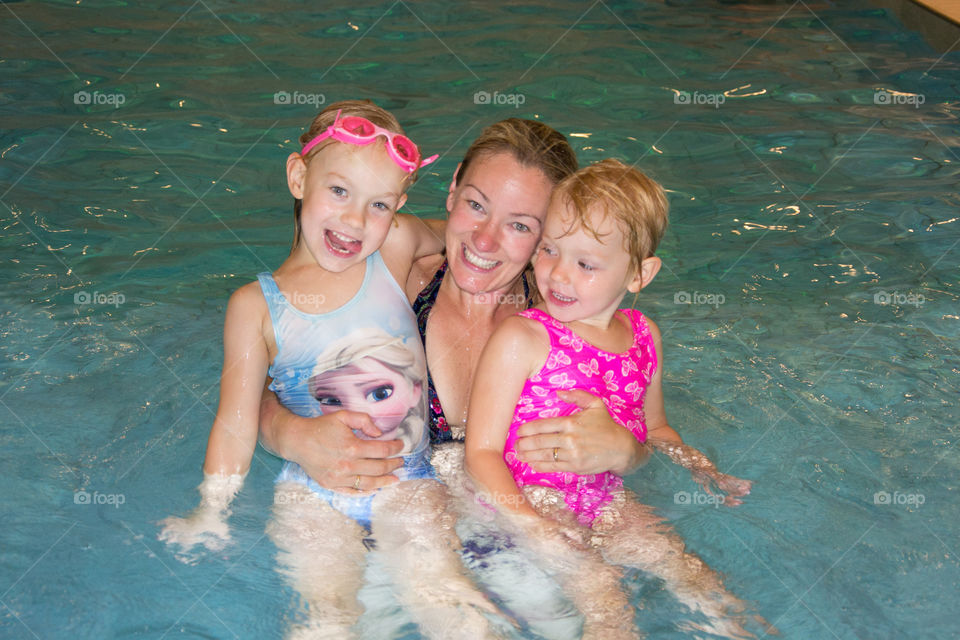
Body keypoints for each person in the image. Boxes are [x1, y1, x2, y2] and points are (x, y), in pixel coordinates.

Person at [258, 118, 652, 638]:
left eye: (520, 226)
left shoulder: (564, 318)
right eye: (476, 205)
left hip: (511, 524)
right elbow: (276, 375)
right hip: (389, 517)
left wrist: (628, 451)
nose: (485, 239)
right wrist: (294, 435)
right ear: (452, 190)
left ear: (550, 237)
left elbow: (642, 426)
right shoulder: (390, 277)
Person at [159, 100, 499, 639]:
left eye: (378, 204)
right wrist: (211, 511)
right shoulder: (255, 306)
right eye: (338, 191)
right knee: (327, 617)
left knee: (449, 604)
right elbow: (234, 423)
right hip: (314, 495)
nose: (355, 220)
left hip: (411, 482)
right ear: (298, 177)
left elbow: (472, 240)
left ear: (398, 207)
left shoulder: (395, 246)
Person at [464, 159, 757, 640]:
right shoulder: (523, 339)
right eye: (549, 250)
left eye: (585, 264)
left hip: (605, 497)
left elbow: (655, 429)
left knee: (683, 566)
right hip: (528, 497)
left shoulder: (644, 337)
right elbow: (480, 452)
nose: (558, 274)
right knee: (603, 592)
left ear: (640, 273)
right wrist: (530, 524)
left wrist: (700, 466)